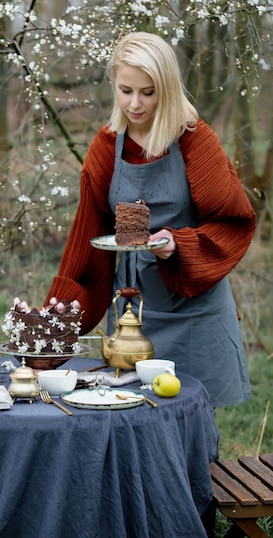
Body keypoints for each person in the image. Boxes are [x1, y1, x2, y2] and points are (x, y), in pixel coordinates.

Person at [45, 31, 256, 408]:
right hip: (132, 313)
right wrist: (55, 324)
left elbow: (232, 220)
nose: (135, 104)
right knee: (128, 417)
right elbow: (87, 239)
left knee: (192, 425)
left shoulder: (195, 140)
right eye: (126, 90)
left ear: (168, 88)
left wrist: (180, 244)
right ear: (114, 84)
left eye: (148, 92)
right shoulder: (107, 146)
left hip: (194, 307)